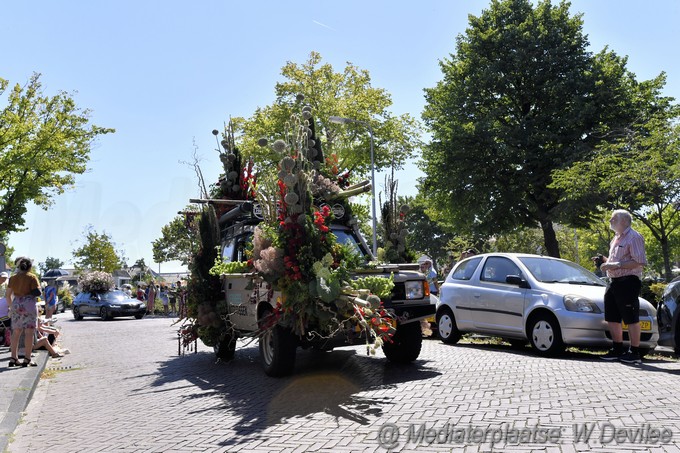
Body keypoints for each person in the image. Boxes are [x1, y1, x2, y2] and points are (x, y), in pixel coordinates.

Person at [598, 209, 647, 364]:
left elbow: (639, 262)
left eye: (613, 219)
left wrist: (614, 264)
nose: (610, 221)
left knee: (631, 318)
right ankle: (617, 349)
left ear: (624, 221)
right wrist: (604, 261)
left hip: (628, 281)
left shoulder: (634, 237)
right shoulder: (616, 238)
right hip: (613, 282)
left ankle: (634, 352)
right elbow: (616, 262)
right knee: (612, 317)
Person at [6, 257, 41, 367]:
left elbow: (7, 295)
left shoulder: (13, 278)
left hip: (16, 305)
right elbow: (38, 292)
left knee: (15, 332)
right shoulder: (32, 277)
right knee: (29, 333)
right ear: (30, 267)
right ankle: (27, 358)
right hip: (29, 305)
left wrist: (12, 307)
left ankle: (13, 358)